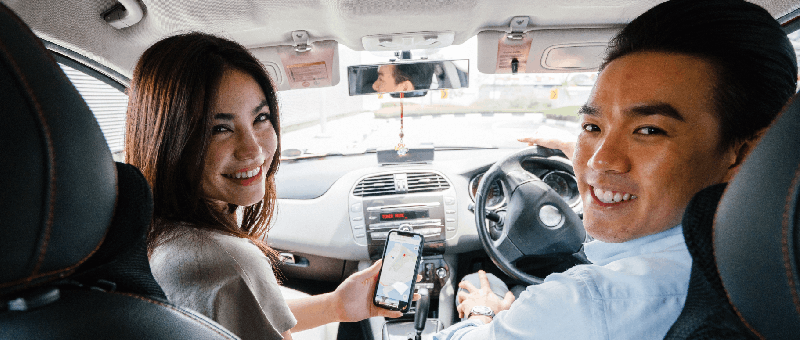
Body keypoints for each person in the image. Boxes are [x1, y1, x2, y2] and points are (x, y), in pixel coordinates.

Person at [435, 0, 797, 339]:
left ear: (745, 152)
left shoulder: (587, 304)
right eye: (593, 128)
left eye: (650, 130)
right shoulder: (771, 271)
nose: (598, 161)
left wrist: (483, 315)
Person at [125, 33, 406, 340]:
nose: (253, 150)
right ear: (169, 141)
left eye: (260, 118)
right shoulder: (226, 261)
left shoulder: (158, 236)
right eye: (220, 128)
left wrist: (337, 305)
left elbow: (234, 318)